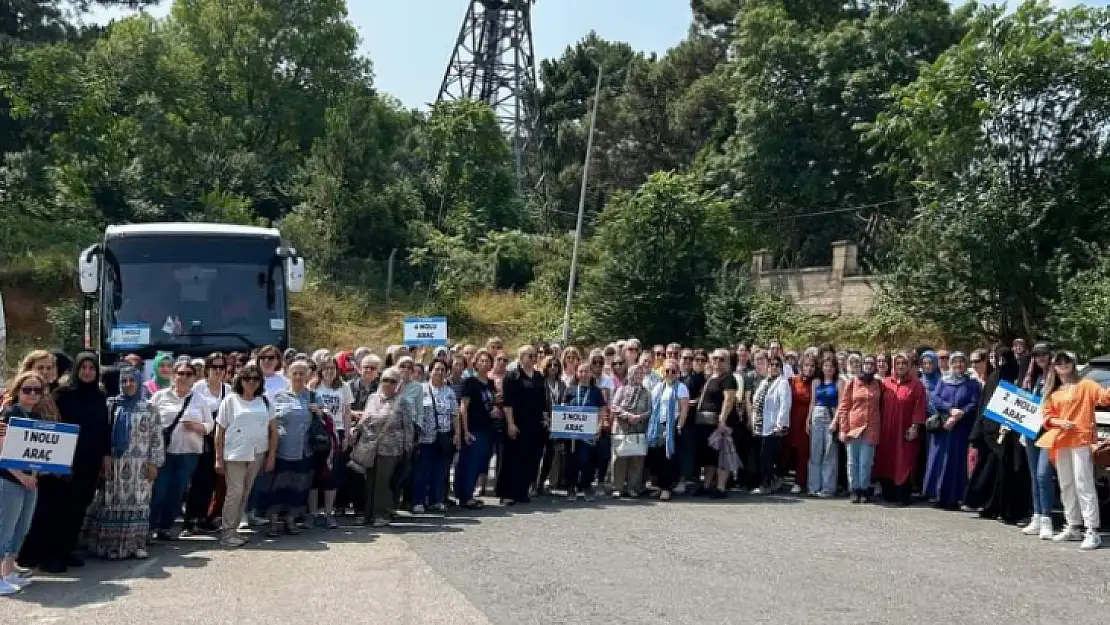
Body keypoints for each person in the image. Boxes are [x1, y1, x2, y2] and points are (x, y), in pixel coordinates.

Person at [19, 352, 111, 574]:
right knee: (58, 508)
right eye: (83, 368)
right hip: (62, 462)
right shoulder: (62, 394)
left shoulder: (99, 395)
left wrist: (105, 455)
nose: (87, 372)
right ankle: (49, 555)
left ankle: (65, 549)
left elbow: (104, 427)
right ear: (76, 370)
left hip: (89, 461)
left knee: (79, 506)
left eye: (91, 368)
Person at [84, 366, 165, 560]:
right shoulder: (112, 405)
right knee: (112, 502)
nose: (128, 385)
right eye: (124, 381)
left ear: (138, 382)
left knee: (139, 502)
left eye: (132, 381)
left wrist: (154, 462)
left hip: (140, 465)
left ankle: (136, 544)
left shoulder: (149, 408)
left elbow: (156, 437)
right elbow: (103, 434)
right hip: (115, 463)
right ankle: (111, 546)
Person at [1037, 351, 1105, 550]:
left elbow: (1105, 397)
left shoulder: (1087, 385)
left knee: (1084, 483)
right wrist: (1058, 422)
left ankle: (1092, 529)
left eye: (1067, 361)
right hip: (1060, 440)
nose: (1063, 364)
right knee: (1066, 484)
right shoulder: (1054, 392)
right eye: (1059, 361)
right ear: (1054, 367)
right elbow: (1047, 416)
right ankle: (1073, 525)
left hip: (1081, 439)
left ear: (1074, 364)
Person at [215, 364, 277, 547]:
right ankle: (227, 533)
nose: (251, 382)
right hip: (234, 453)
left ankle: (234, 529)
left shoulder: (265, 401)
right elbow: (220, 431)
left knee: (246, 491)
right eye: (247, 378)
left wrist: (271, 455)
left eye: (255, 379)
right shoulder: (230, 400)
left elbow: (273, 430)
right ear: (240, 380)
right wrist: (218, 458)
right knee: (235, 492)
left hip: (257, 452)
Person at [149, 360, 211, 540]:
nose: (183, 377)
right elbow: (148, 419)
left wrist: (198, 427)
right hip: (163, 452)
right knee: (159, 491)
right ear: (173, 375)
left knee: (176, 492)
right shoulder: (159, 397)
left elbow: (210, 425)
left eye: (188, 374)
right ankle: (150, 527)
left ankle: (165, 528)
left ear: (193, 378)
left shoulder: (200, 399)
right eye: (180, 373)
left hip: (189, 453)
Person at [0, 372, 50, 595]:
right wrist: (21, 476)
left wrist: (35, 475)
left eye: (36, 390)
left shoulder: (34, 417)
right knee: (4, 529)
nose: (31, 394)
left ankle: (8, 573)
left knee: (21, 529)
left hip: (30, 481)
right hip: (10, 480)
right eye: (27, 389)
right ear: (17, 390)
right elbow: (1, 450)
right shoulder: (9, 414)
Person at [259, 359, 317, 537]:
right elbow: (270, 422)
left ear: (308, 375)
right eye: (295, 373)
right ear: (289, 375)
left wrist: (321, 412)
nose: (298, 377)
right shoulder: (278, 396)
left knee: (299, 487)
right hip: (282, 448)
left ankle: (291, 519)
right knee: (278, 487)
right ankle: (274, 520)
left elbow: (324, 421)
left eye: (302, 373)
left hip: (304, 450)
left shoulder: (313, 396)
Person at [353, 366, 416, 527]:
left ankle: (381, 514)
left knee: (383, 482)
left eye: (392, 381)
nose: (388, 384)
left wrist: (407, 450)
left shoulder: (403, 402)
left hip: (391, 448)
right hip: (370, 445)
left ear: (398, 384)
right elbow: (365, 418)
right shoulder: (373, 398)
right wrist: (356, 430)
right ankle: (368, 514)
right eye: (385, 380)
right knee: (369, 481)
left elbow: (408, 427)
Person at [923, 352, 980, 510]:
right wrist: (950, 410)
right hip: (944, 428)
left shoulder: (972, 383)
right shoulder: (944, 380)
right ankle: (937, 494)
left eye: (961, 362)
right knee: (939, 461)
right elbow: (935, 398)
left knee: (956, 463)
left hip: (960, 429)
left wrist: (959, 414)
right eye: (955, 362)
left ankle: (955, 497)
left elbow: (975, 403)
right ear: (950, 364)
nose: (958, 365)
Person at [183, 352, 231, 534]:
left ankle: (205, 518)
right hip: (200, 439)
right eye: (214, 367)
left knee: (212, 482)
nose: (218, 371)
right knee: (198, 482)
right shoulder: (197, 389)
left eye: (222, 368)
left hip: (219, 441)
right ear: (207, 369)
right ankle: (190, 519)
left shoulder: (228, 390)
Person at [873, 352, 927, 506]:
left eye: (904, 363)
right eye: (898, 363)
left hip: (905, 430)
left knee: (904, 461)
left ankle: (903, 495)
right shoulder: (885, 383)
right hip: (886, 430)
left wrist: (915, 426)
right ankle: (888, 493)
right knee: (886, 460)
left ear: (909, 365)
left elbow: (919, 407)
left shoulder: (916, 385)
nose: (901, 366)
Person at [499, 345, 547, 505]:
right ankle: (507, 493)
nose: (533, 359)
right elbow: (508, 403)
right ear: (521, 357)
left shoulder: (539, 377)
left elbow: (543, 401)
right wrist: (510, 424)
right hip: (517, 422)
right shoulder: (512, 376)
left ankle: (522, 491)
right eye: (530, 356)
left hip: (534, 424)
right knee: (512, 458)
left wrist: (545, 417)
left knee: (529, 458)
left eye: (535, 356)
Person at [411, 360, 457, 513]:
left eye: (443, 369)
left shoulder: (449, 392)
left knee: (440, 470)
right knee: (422, 470)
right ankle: (418, 501)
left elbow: (455, 414)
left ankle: (435, 500)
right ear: (430, 371)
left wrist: (457, 434)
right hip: (425, 437)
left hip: (444, 436)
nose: (439, 372)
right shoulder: (421, 389)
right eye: (436, 369)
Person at [837, 355, 883, 503]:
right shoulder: (853, 382)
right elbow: (844, 407)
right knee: (852, 461)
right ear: (862, 365)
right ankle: (854, 489)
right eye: (866, 363)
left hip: (871, 428)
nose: (868, 366)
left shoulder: (879, 384)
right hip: (853, 427)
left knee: (866, 462)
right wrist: (843, 429)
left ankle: (864, 489)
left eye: (871, 363)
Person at [454, 350, 497, 509]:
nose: (485, 364)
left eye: (487, 361)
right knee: (469, 463)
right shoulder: (470, 382)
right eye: (482, 361)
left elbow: (491, 403)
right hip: (473, 428)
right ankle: (465, 496)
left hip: (487, 428)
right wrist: (465, 431)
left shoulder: (491, 383)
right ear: (475, 363)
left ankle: (469, 494)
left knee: (480, 463)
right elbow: (463, 407)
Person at [645, 360, 689, 501]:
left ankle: (667, 488)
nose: (670, 374)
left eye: (673, 371)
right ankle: (659, 486)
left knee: (668, 459)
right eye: (667, 371)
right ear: (662, 372)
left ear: (678, 373)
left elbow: (684, 409)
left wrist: (679, 425)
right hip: (657, 425)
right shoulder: (658, 387)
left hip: (671, 426)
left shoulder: (681, 388)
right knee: (656, 457)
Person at [609, 361, 651, 498]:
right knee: (620, 458)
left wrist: (639, 417)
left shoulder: (646, 393)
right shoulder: (621, 389)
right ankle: (618, 487)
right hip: (622, 428)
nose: (639, 375)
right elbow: (614, 406)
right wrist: (627, 416)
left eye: (641, 373)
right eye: (636, 373)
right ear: (630, 374)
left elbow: (650, 411)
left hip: (638, 429)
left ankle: (634, 487)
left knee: (636, 460)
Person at [752, 356, 791, 495]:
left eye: (777, 365)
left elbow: (785, 405)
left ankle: (766, 485)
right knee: (761, 457)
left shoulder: (782, 383)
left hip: (773, 427)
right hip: (760, 425)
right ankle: (767, 482)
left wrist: (780, 424)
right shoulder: (765, 382)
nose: (774, 367)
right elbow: (756, 401)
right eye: (771, 364)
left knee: (767, 458)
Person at [806, 356, 843, 498]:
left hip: (830, 416)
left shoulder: (839, 383)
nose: (828, 369)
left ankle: (827, 488)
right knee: (815, 452)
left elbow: (840, 404)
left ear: (835, 369)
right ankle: (813, 487)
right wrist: (808, 419)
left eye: (831, 366)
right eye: (826, 366)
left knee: (829, 453)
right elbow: (812, 402)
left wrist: (836, 421)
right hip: (817, 415)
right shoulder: (816, 382)